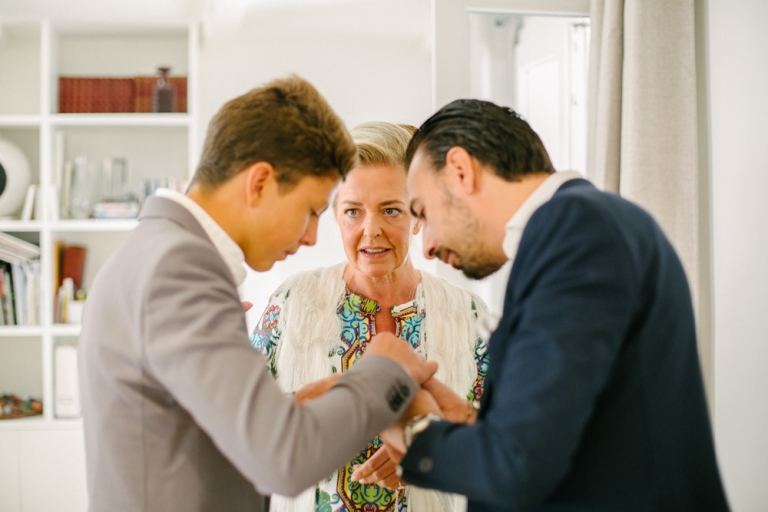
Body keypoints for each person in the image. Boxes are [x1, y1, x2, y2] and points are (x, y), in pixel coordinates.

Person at [77, 76, 439, 512]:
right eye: (310, 210)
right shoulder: (180, 270)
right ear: (261, 183)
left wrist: (290, 409)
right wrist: (386, 369)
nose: (310, 237)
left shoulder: (157, 251)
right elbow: (283, 460)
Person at [354, 99, 730, 511]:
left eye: (422, 212)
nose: (425, 246)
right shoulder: (577, 229)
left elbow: (517, 465)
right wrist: (468, 423)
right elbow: (566, 438)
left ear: (461, 171)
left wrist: (410, 427)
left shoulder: (578, 232)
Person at [251, 121, 489, 512]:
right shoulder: (292, 302)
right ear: (335, 215)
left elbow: (499, 442)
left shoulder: (467, 315)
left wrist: (432, 458)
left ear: (417, 215)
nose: (370, 230)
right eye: (352, 212)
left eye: (391, 210)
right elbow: (244, 424)